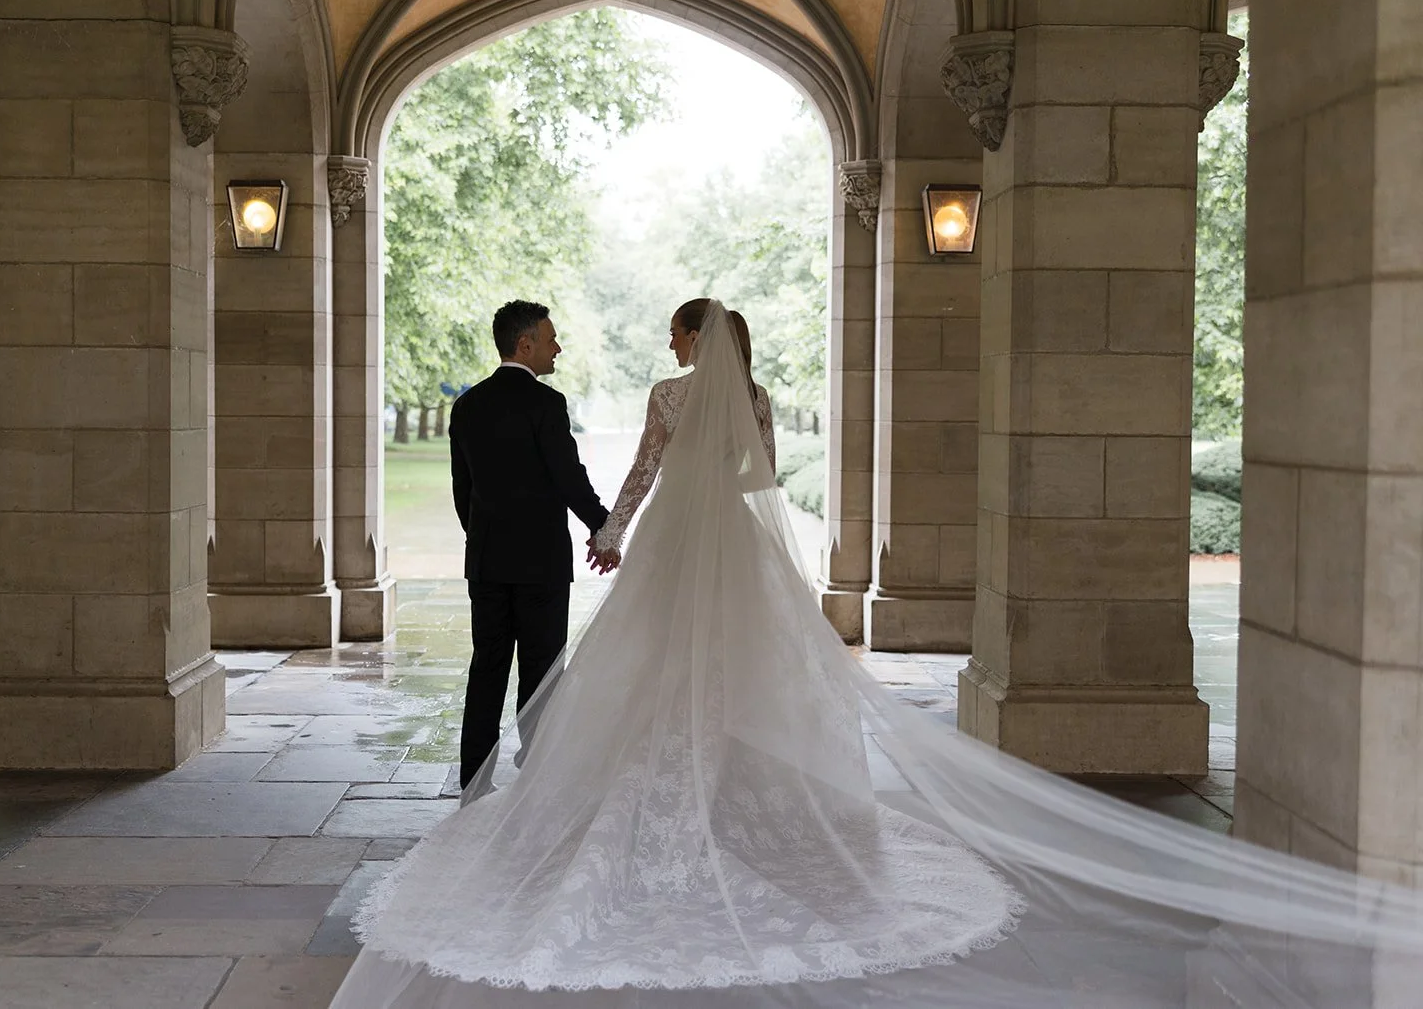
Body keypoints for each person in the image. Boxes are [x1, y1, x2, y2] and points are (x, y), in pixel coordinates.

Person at [333, 300, 1423, 1009]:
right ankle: (736, 784)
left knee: (647, 671)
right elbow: (759, 486)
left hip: (672, 552)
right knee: (745, 669)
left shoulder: (668, 399)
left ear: (684, 346)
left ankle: (621, 785)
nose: (676, 353)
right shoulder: (751, 398)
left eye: (678, 337)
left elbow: (641, 479)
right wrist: (687, 507)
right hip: (732, 555)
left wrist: (617, 532)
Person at [446, 300, 613, 798]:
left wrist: (481, 541)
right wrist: (606, 528)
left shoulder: (467, 404)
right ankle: (537, 775)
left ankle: (474, 779)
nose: (557, 347)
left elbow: (463, 489)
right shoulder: (547, 403)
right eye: (550, 338)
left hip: (488, 562)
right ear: (525, 344)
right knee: (542, 673)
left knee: (487, 667)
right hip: (541, 564)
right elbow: (569, 480)